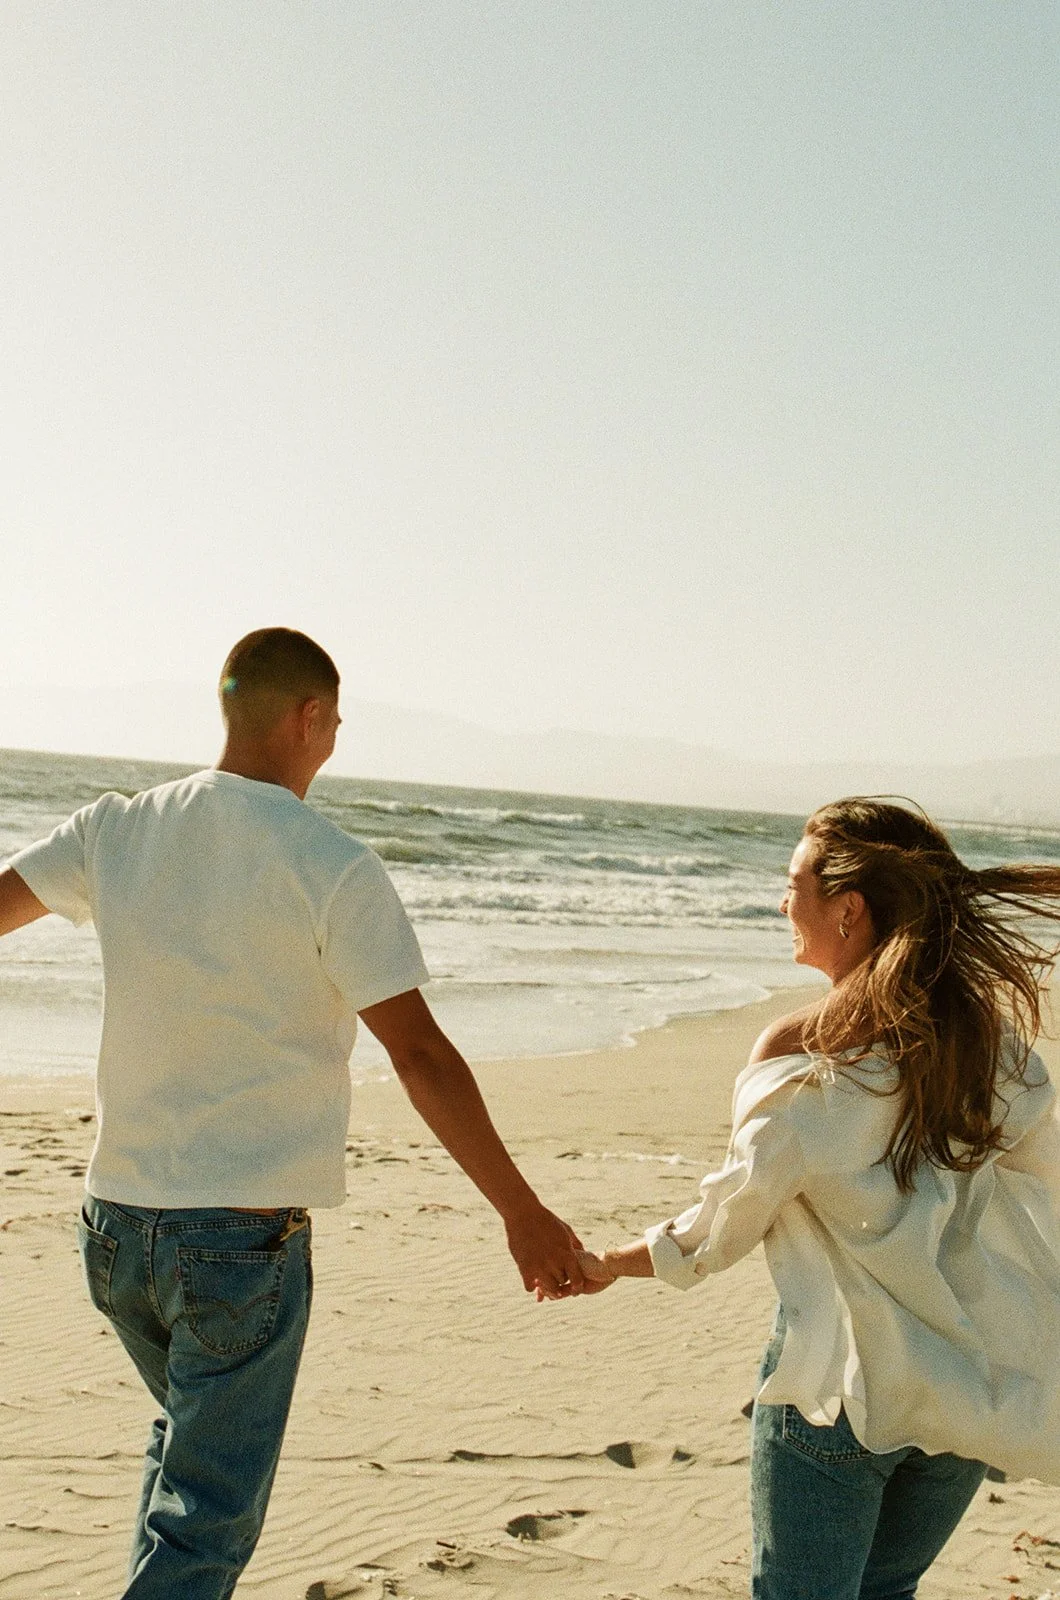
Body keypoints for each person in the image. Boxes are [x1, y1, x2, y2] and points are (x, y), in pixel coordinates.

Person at [0, 627, 585, 1600]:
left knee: (187, 1445)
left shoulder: (116, 825)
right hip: (236, 1241)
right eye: (336, 722)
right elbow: (420, 1053)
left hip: (113, 1229)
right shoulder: (330, 861)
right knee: (209, 1522)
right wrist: (519, 1209)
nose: (334, 739)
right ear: (308, 716)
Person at [575, 797, 1060, 1600]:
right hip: (962, 1396)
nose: (781, 902)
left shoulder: (808, 1049)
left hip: (842, 1389)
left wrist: (608, 1263)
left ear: (848, 908)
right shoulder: (992, 1048)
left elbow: (725, 1221)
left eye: (792, 881)